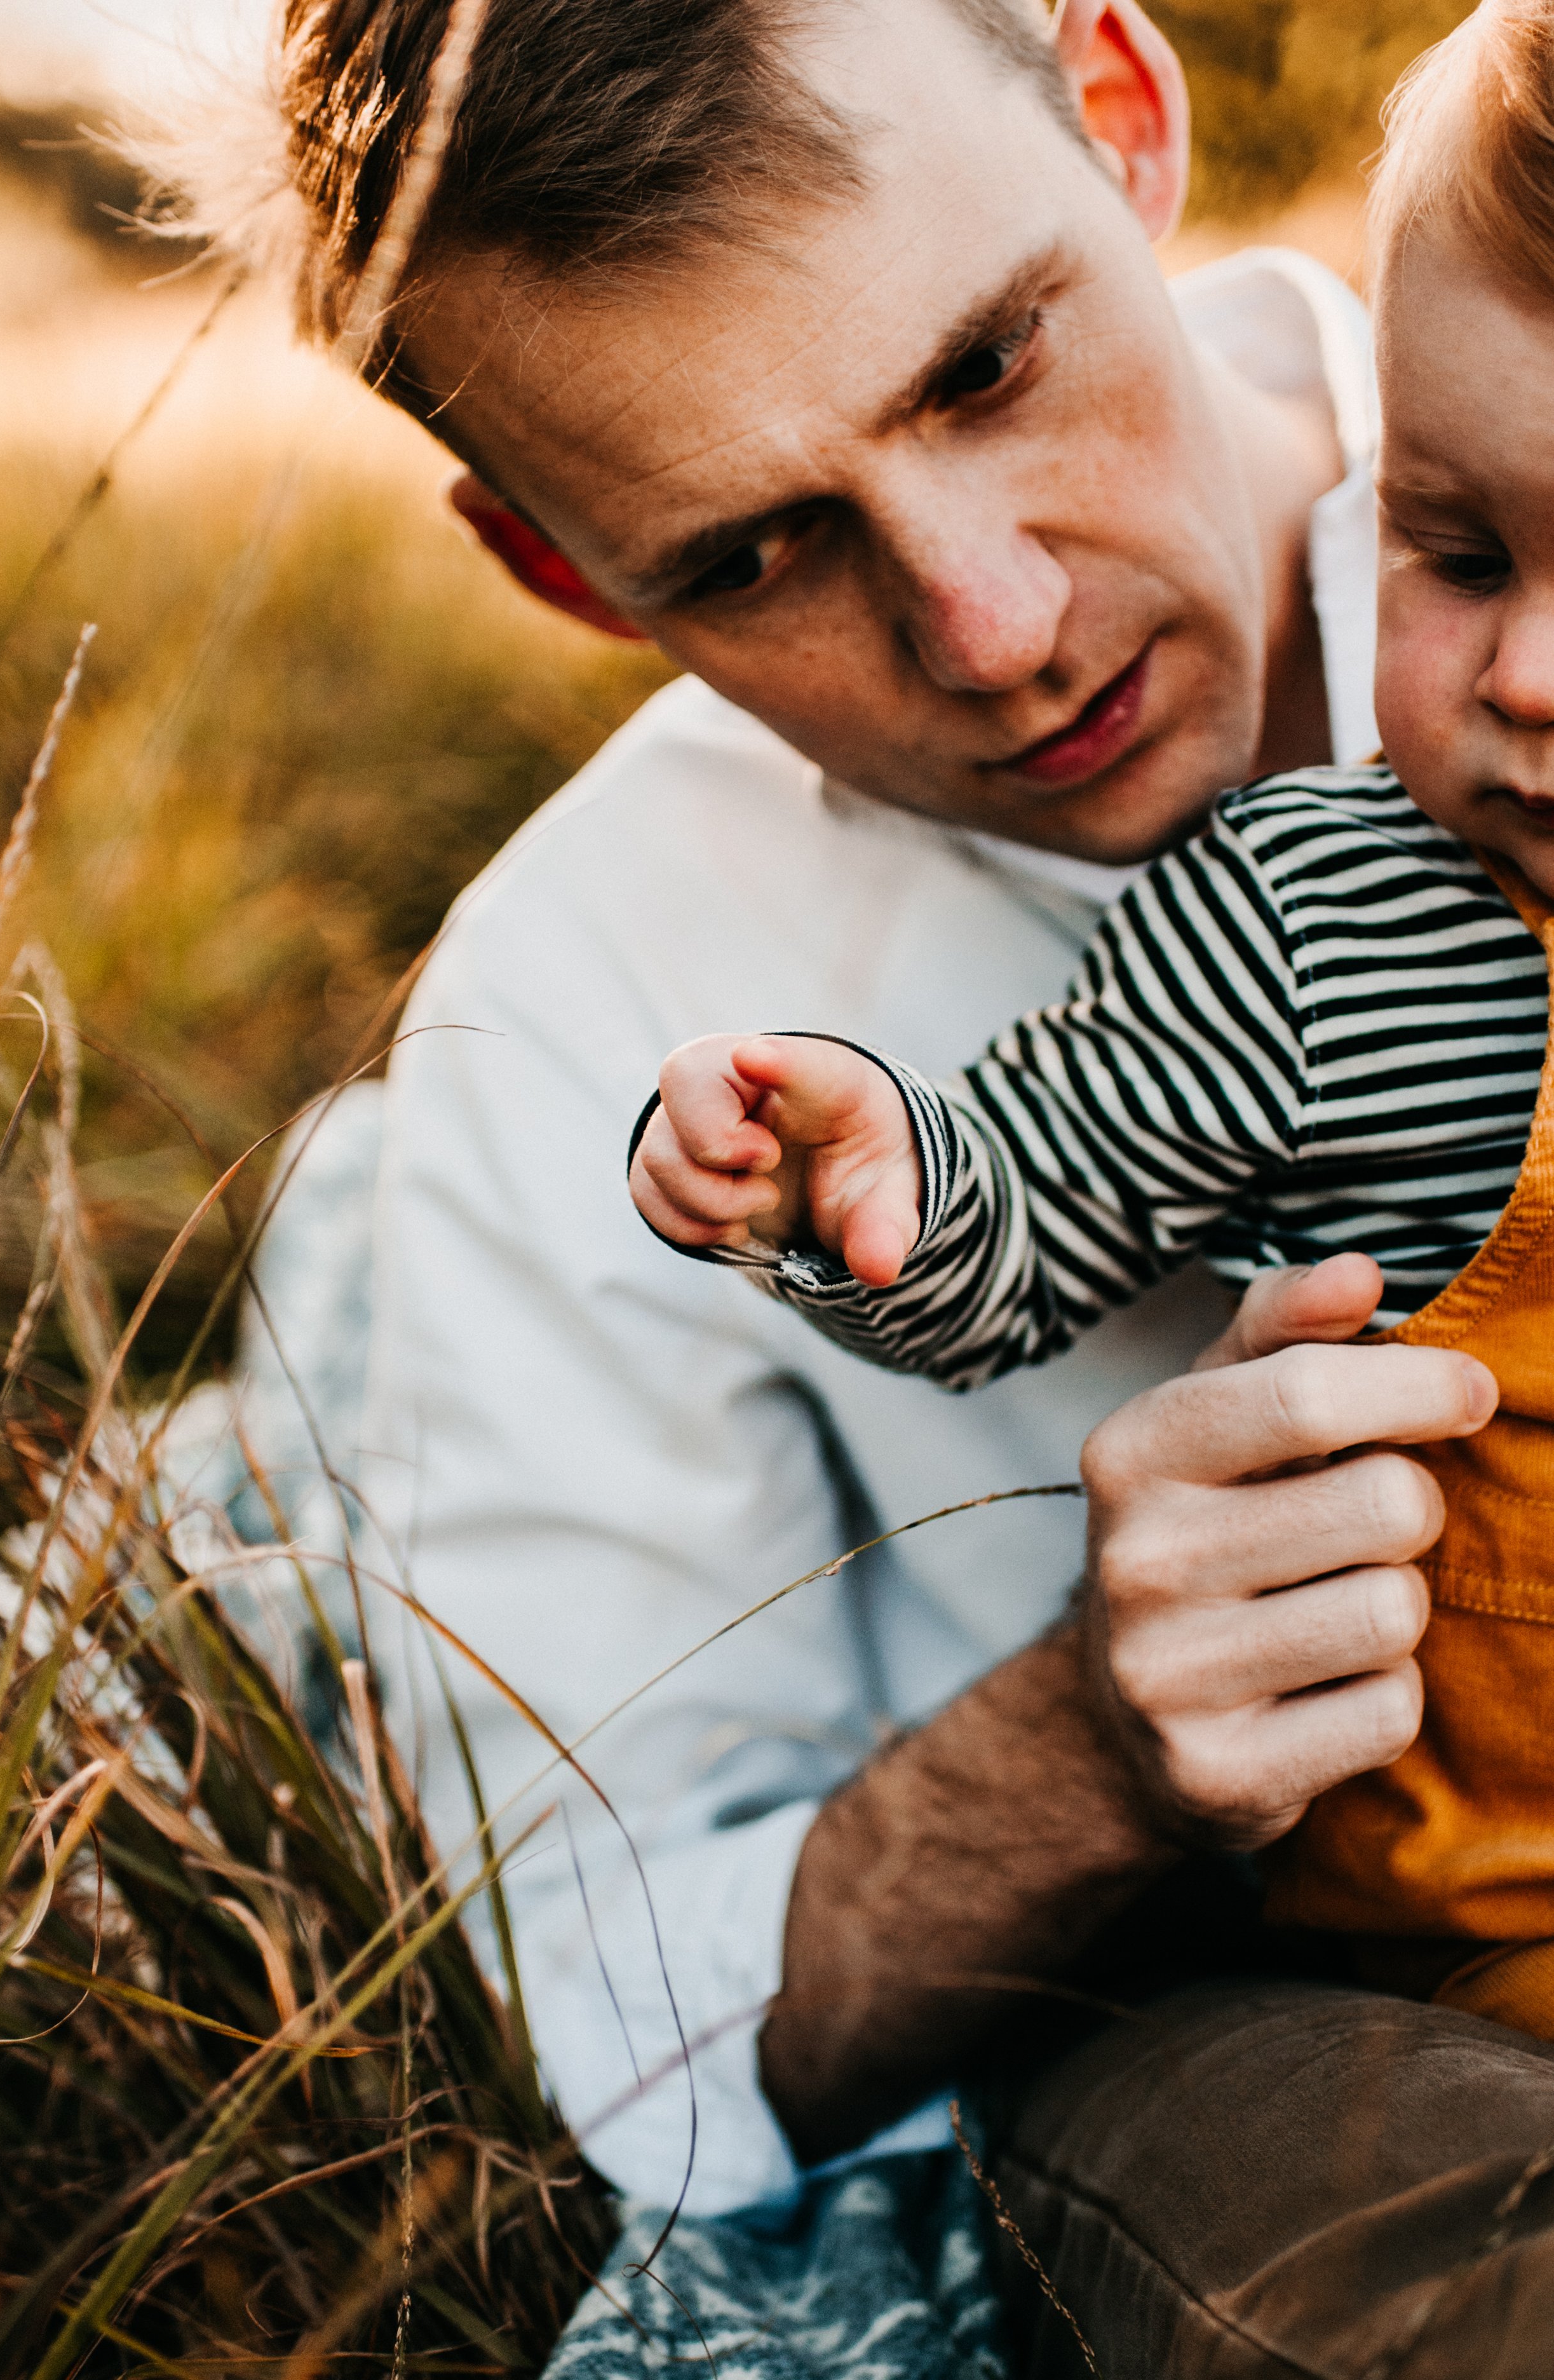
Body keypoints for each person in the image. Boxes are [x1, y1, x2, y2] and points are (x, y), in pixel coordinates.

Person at [195, 0, 1554, 2366]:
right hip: (1304, 1995)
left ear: (1121, 111)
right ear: (557, 564)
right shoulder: (574, 1036)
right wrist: (1090, 1748)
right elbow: (633, 2017)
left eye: (988, 369)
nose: (996, 633)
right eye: (751, 552)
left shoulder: (1510, 351)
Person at [629, 0, 1554, 2035]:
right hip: (1462, 1950)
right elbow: (1030, 1206)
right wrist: (866, 1173)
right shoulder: (1326, 923)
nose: (1528, 674)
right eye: (1459, 552)